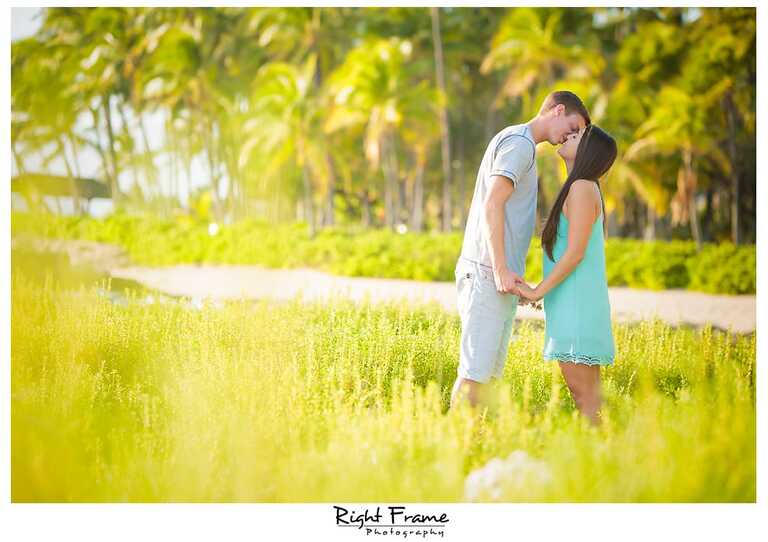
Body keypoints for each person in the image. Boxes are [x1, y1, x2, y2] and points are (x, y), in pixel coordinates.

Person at [451, 90, 591, 410]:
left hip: (497, 277)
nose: (569, 137)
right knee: (474, 376)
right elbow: (493, 204)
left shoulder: (520, 143)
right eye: (572, 127)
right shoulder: (520, 144)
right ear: (556, 110)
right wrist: (500, 267)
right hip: (488, 273)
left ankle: (473, 450)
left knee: (486, 379)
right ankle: (450, 448)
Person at [515, 124, 618, 426]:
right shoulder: (579, 187)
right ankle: (600, 461)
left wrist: (537, 292)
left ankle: (599, 462)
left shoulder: (582, 187)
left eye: (578, 136)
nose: (569, 135)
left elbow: (575, 253)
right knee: (588, 400)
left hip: (577, 306)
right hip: (573, 304)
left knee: (586, 399)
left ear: (588, 151)